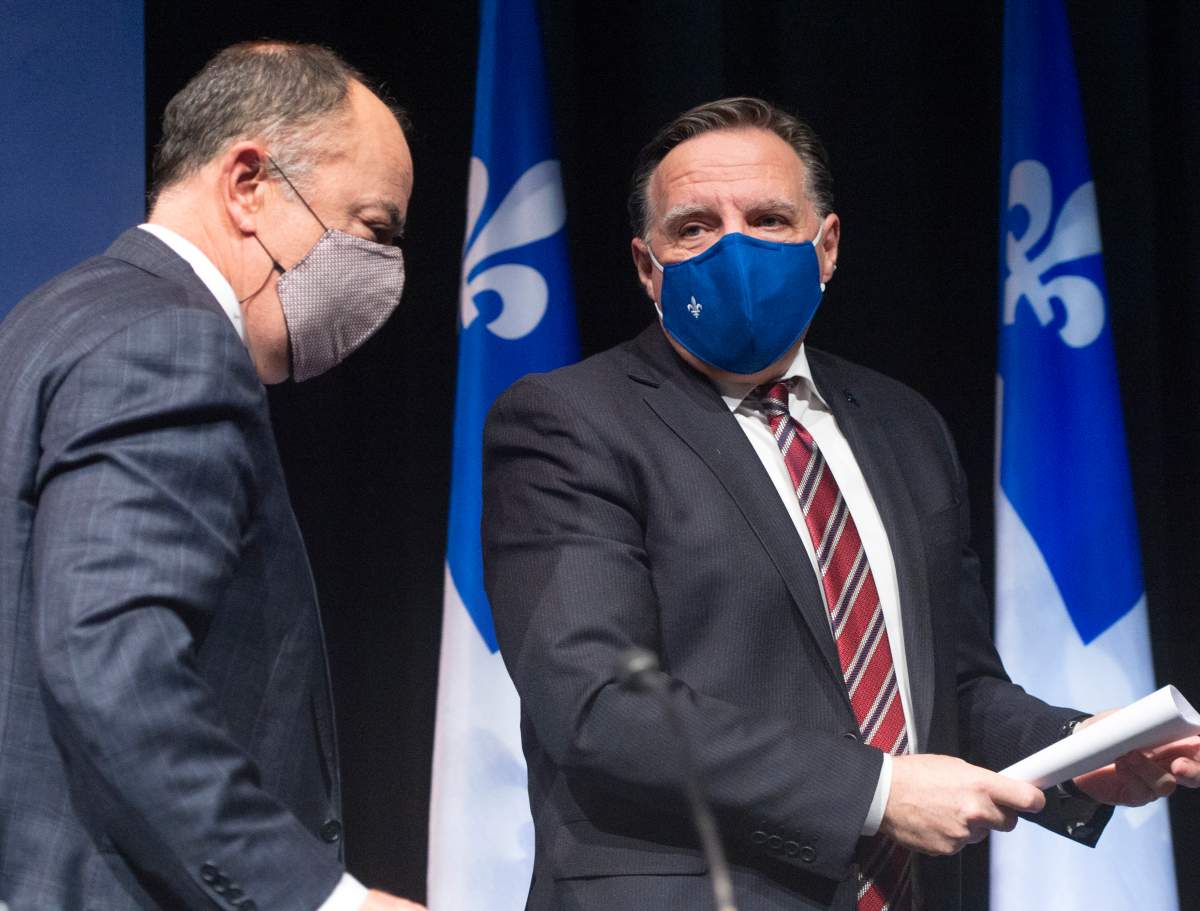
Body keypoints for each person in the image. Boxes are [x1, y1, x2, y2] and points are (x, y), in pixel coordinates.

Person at [481, 97, 1200, 911]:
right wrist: (878, 789)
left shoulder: (904, 423)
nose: (734, 248)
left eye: (767, 218)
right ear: (649, 267)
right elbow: (598, 706)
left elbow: (952, 689)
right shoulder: (568, 420)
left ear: (825, 247)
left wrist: (1080, 752)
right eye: (694, 228)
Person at [0, 42, 423, 911]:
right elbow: (110, 660)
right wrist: (320, 900)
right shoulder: (171, 341)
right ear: (247, 184)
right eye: (374, 228)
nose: (384, 274)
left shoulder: (53, 316)